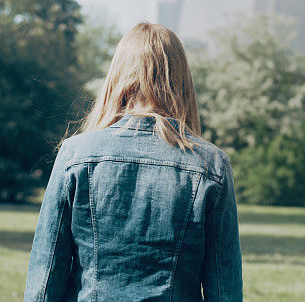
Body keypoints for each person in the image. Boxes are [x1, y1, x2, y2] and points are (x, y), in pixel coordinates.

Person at [24, 23, 242, 301]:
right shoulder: (211, 165)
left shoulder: (75, 155)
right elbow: (224, 290)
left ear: (117, 76)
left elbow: (44, 281)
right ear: (181, 80)